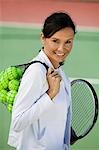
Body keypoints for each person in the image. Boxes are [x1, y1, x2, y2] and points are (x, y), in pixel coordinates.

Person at [8, 11, 76, 150]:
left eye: (68, 42)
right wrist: (50, 95)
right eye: (55, 41)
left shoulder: (60, 72)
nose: (62, 49)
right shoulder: (36, 72)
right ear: (43, 38)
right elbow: (17, 123)